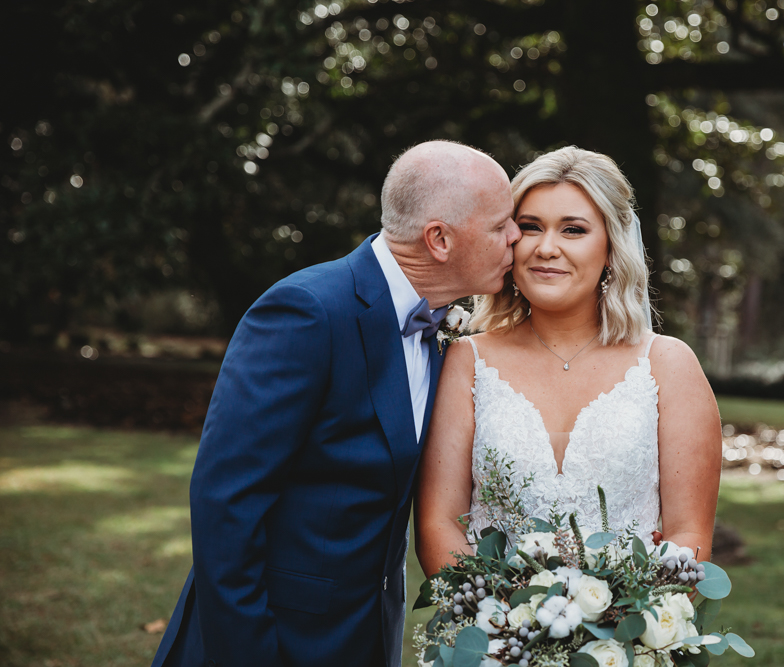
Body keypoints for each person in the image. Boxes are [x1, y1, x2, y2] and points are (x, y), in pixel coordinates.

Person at [151, 141, 520, 667]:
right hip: (267, 640)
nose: (516, 237)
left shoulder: (446, 336)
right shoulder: (307, 312)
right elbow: (225, 506)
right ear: (439, 239)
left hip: (365, 640)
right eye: (501, 224)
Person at [415, 146, 722, 575]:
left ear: (612, 246)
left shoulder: (668, 365)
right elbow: (438, 523)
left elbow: (689, 536)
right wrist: (502, 626)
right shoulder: (466, 361)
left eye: (573, 230)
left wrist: (616, 625)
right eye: (530, 227)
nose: (546, 247)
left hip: (629, 635)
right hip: (492, 634)